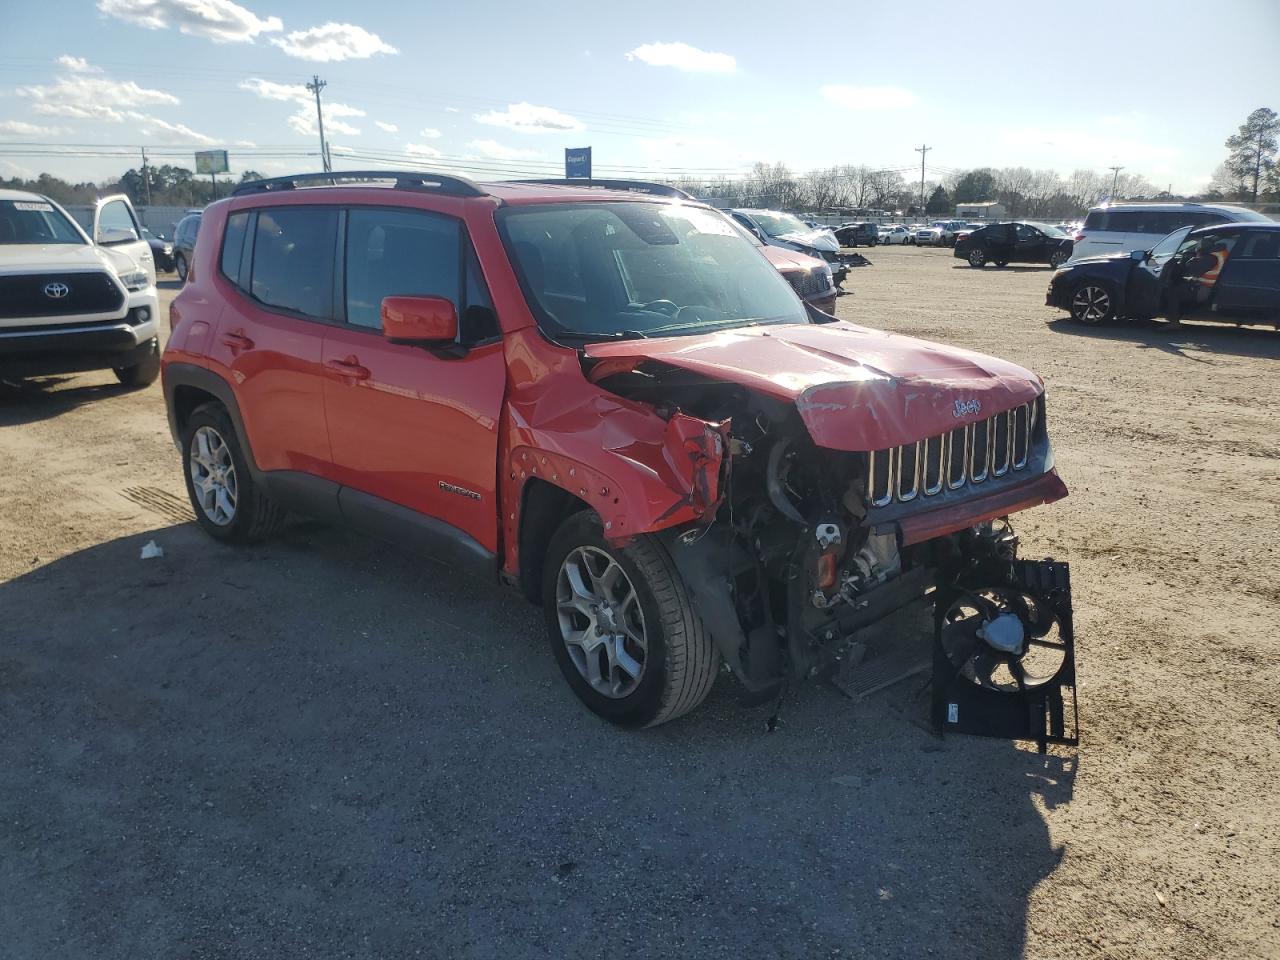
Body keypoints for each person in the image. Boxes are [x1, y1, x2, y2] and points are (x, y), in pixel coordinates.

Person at [1166, 237, 1228, 328]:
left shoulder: (1210, 258)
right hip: (1210, 286)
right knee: (1182, 288)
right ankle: (1180, 316)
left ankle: (1174, 322)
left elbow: (1193, 271)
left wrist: (1190, 260)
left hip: (1204, 289)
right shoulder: (1221, 253)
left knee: (1173, 292)